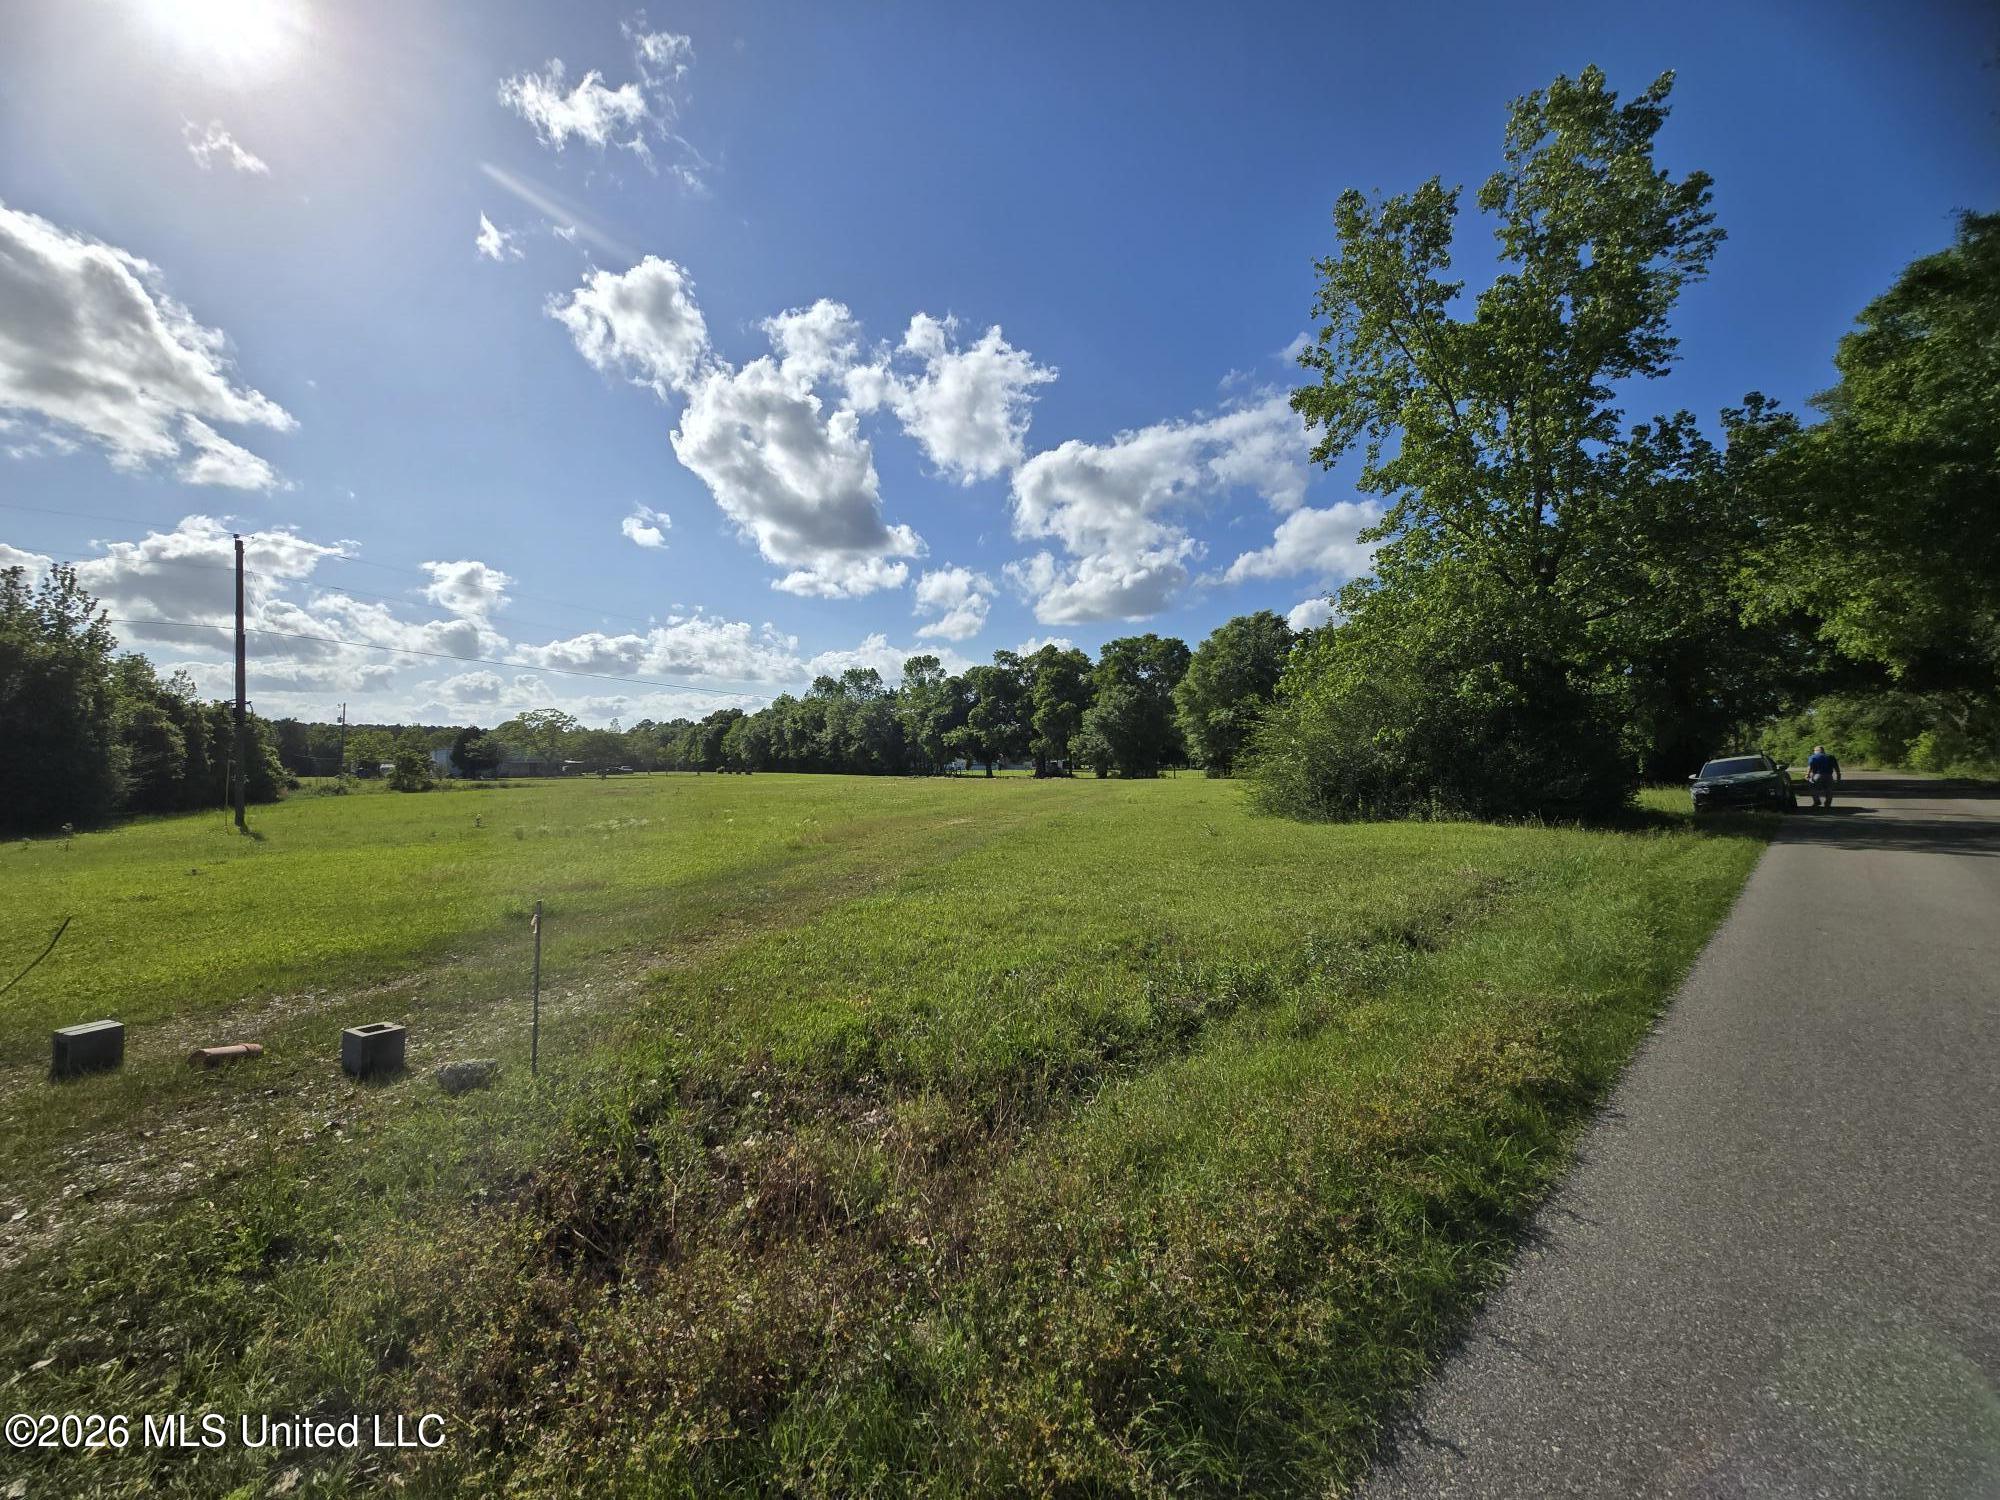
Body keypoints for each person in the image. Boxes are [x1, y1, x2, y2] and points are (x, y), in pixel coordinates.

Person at [1805, 744, 1842, 808]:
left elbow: (1810, 766)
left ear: (1817, 751)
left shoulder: (1812, 757)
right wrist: (1838, 775)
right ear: (1823, 750)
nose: (1814, 752)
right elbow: (1836, 767)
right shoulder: (1831, 757)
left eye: (1814, 750)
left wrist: (1807, 774)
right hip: (1829, 776)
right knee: (1829, 790)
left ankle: (1817, 801)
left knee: (1813, 787)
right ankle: (1827, 803)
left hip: (1817, 775)